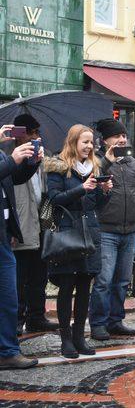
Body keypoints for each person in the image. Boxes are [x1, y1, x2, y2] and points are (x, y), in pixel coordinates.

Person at [45, 125, 112, 359]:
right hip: (68, 232)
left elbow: (97, 206)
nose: (89, 146)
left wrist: (104, 191)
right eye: (85, 142)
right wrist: (81, 189)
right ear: (73, 142)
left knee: (85, 286)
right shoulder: (59, 168)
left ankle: (79, 337)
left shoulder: (93, 167)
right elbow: (54, 199)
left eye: (92, 142)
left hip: (90, 232)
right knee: (66, 287)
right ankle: (66, 339)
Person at [89, 119, 135, 341]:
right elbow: (90, 184)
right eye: (117, 136)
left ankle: (115, 321)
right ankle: (98, 323)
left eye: (124, 135)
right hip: (106, 231)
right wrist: (106, 162)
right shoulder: (98, 161)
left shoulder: (132, 163)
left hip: (129, 231)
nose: (122, 139)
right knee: (103, 280)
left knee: (122, 281)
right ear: (105, 141)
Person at [0, 122, 43, 370]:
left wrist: (31, 162)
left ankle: (7, 351)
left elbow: (13, 178)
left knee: (8, 299)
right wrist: (11, 159)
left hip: (4, 236)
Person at [12, 115, 58, 335]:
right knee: (19, 278)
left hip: (41, 222)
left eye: (37, 133)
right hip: (20, 224)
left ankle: (36, 317)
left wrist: (40, 160)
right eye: (32, 133)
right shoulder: (9, 158)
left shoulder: (40, 158)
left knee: (40, 274)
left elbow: (45, 189)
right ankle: (17, 319)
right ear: (22, 134)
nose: (36, 137)